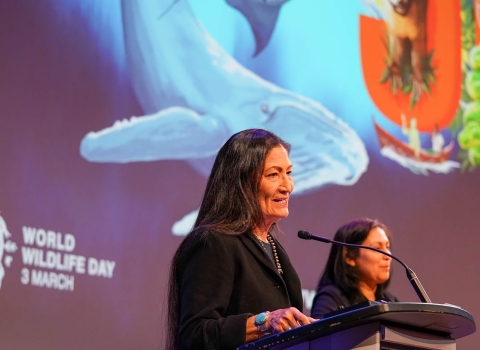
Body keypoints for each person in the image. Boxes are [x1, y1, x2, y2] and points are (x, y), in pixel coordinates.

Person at [165, 129, 315, 350]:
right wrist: (264, 322)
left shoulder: (275, 250)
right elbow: (193, 335)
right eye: (273, 174)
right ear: (242, 181)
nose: (288, 186)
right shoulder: (213, 242)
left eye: (288, 173)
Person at [310, 218, 398, 319]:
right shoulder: (330, 299)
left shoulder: (390, 300)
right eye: (377, 248)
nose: (387, 256)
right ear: (349, 257)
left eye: (387, 247)